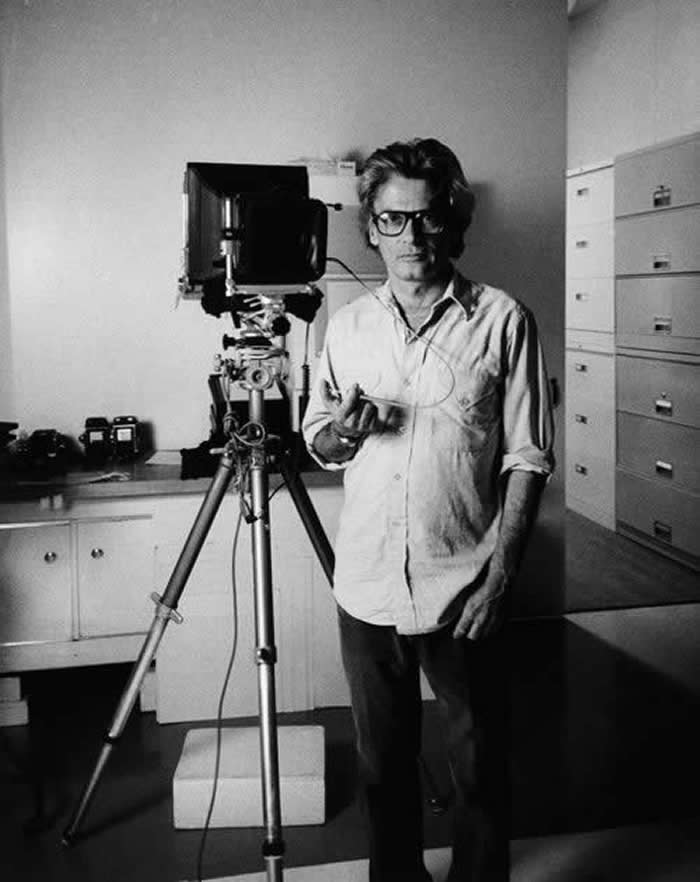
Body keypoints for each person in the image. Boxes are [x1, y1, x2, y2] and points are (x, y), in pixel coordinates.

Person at [302, 138, 554, 882]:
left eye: (426, 219)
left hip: (466, 589)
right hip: (369, 587)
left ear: (452, 220)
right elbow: (318, 438)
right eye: (392, 220)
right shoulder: (344, 328)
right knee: (385, 773)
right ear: (370, 226)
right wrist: (342, 433)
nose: (411, 239)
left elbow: (528, 457)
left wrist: (502, 575)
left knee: (480, 769)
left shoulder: (504, 320)